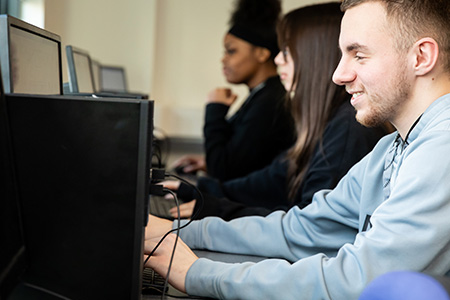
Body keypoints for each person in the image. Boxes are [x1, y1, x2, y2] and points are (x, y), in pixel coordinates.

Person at [145, 0, 450, 299]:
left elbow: (356, 279)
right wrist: (179, 231)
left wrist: (196, 273)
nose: (338, 75)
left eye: (358, 55)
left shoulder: (442, 146)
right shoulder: (391, 147)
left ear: (421, 56)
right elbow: (302, 229)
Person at [165, 2, 388, 221]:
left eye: (287, 51)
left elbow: (313, 227)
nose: (277, 59)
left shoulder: (348, 127)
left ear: (315, 57)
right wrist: (201, 191)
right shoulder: (323, 121)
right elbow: (273, 180)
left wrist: (218, 210)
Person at [172, 0, 295, 182]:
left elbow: (223, 171)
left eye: (231, 51)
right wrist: (208, 163)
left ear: (262, 53)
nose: (223, 59)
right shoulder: (262, 94)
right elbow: (244, 161)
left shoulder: (269, 103)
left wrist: (215, 110)